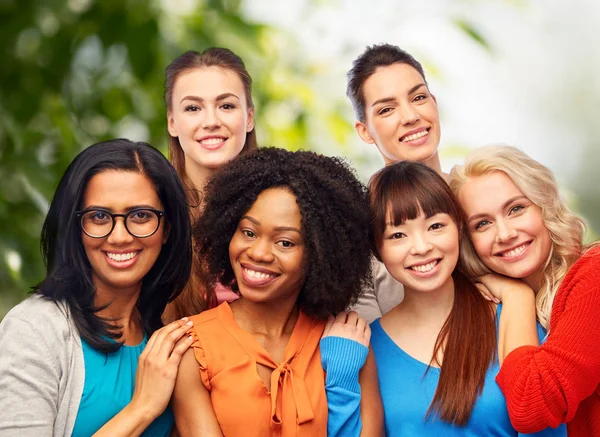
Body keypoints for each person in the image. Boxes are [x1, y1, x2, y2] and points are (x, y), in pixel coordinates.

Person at [171, 147, 383, 437]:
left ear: (320, 254)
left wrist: (341, 375)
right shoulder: (193, 348)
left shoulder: (347, 342)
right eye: (248, 232)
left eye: (285, 243)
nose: (258, 253)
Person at [0, 139, 193, 436]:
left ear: (167, 228)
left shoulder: (165, 333)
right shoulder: (34, 330)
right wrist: (142, 408)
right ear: (76, 228)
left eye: (140, 215)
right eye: (99, 216)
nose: (119, 237)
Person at [366, 160, 565, 436]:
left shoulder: (513, 317)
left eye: (435, 226)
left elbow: (543, 427)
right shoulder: (368, 346)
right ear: (378, 250)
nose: (422, 247)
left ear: (459, 229)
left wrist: (517, 296)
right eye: (397, 235)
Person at [450, 144, 599, 436]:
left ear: (544, 206)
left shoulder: (594, 275)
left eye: (516, 209)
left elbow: (532, 405)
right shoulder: (492, 311)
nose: (505, 234)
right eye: (483, 224)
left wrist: (516, 296)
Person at [346, 43, 445, 322]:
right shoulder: (359, 228)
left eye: (418, 98)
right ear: (364, 131)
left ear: (434, 103)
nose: (411, 116)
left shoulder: (478, 195)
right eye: (387, 109)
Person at [163, 47, 257, 322]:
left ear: (249, 117)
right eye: (193, 108)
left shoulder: (284, 204)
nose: (211, 121)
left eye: (226, 106)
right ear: (172, 122)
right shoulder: (152, 211)